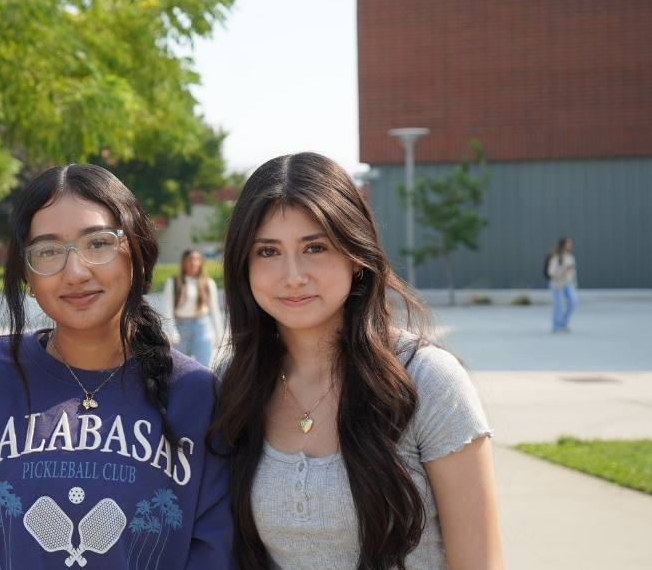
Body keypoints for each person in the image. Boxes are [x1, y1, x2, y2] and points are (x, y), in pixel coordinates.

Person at [0, 164, 233, 569]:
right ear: (27, 275)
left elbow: (214, 553)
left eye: (98, 244)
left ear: (135, 250)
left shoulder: (196, 394)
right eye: (47, 251)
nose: (76, 272)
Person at [211, 152, 503, 569]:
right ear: (244, 266)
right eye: (268, 252)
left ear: (355, 253)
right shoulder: (231, 383)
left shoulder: (427, 379)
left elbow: (480, 563)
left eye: (315, 247)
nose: (293, 276)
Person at [162, 249, 223, 367]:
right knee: (180, 369)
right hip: (181, 328)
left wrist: (218, 334)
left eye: (197, 259)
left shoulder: (208, 283)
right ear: (183, 262)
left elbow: (215, 310)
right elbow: (167, 310)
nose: (194, 262)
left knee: (203, 368)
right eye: (190, 259)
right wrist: (172, 332)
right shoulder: (173, 282)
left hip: (202, 327)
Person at [547, 237, 577, 333]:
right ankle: (556, 326)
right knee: (558, 305)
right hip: (557, 284)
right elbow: (551, 273)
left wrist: (574, 283)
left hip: (568, 284)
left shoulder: (570, 257)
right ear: (563, 245)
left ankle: (563, 323)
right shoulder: (556, 257)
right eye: (568, 244)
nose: (570, 246)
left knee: (573, 302)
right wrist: (564, 269)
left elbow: (573, 272)